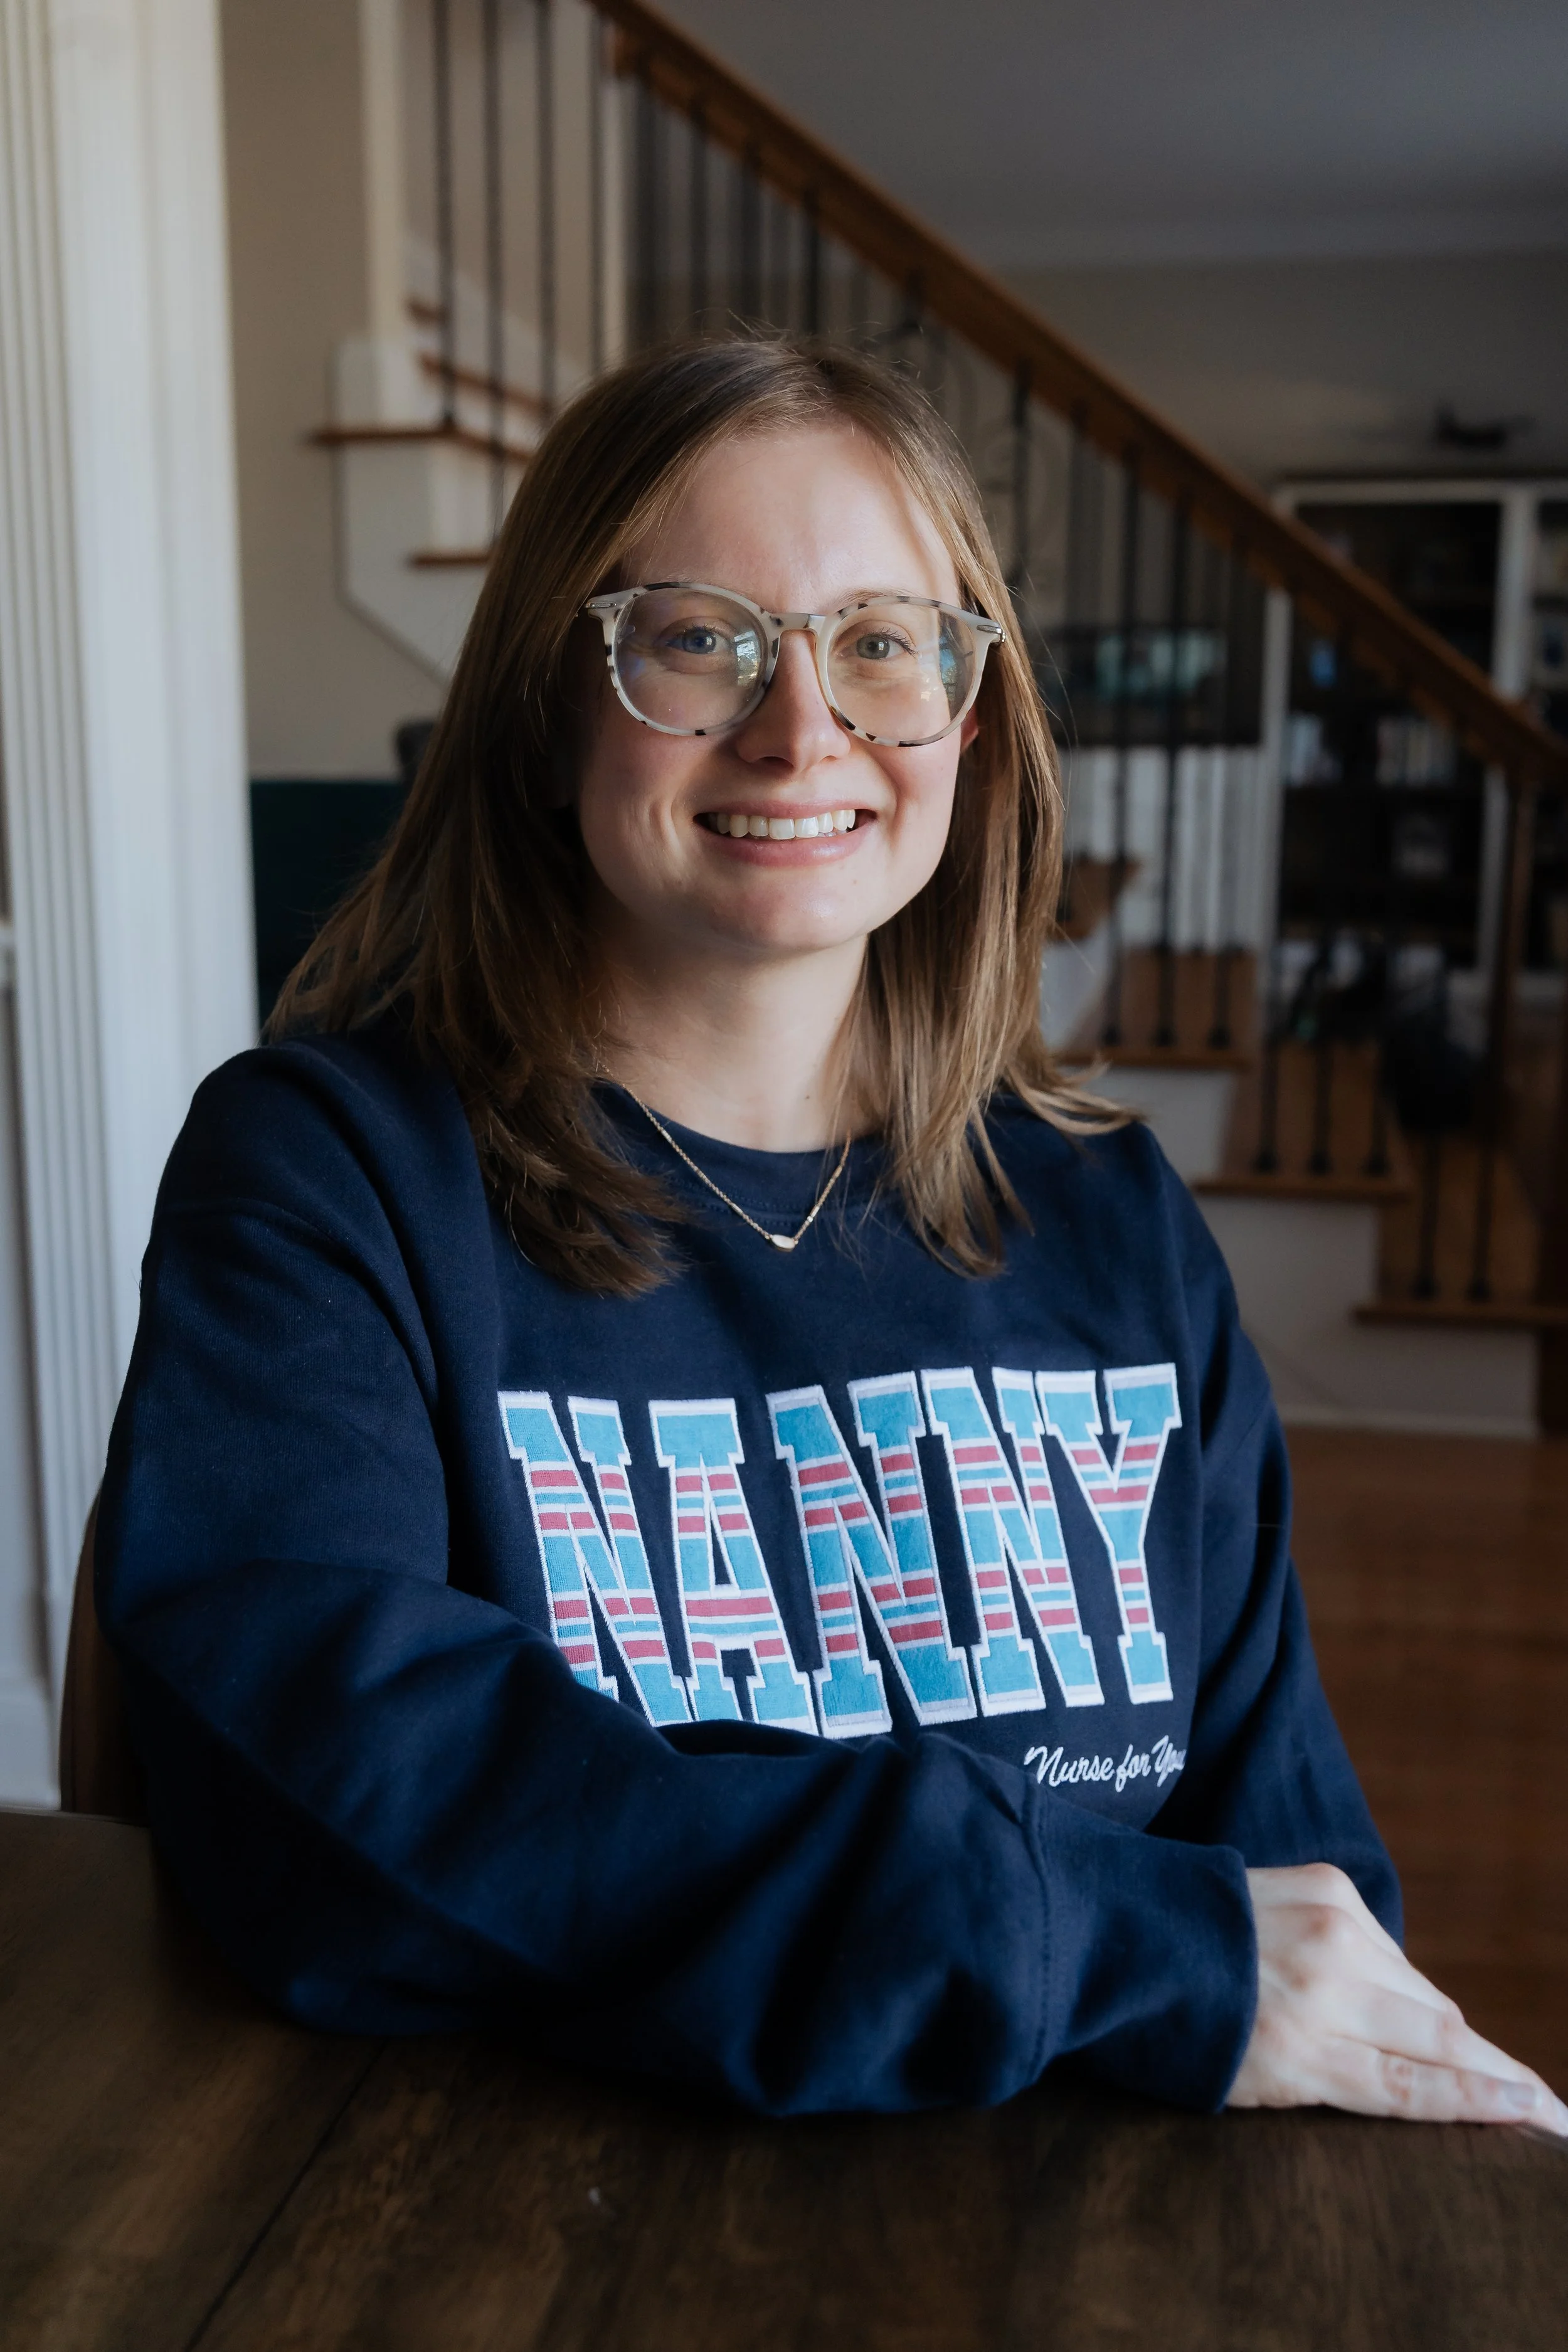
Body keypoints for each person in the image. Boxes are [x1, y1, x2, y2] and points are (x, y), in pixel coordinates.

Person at [98, 335, 1565, 2132]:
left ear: (968, 718)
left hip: (1097, 2224)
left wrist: (1200, 1980)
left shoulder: (1113, 1219)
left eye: (881, 642)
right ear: (548, 712)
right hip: (508, 2218)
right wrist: (1092, 1945)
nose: (802, 730)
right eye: (697, 638)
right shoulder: (329, 1177)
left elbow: (1296, 1900)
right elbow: (334, 1803)